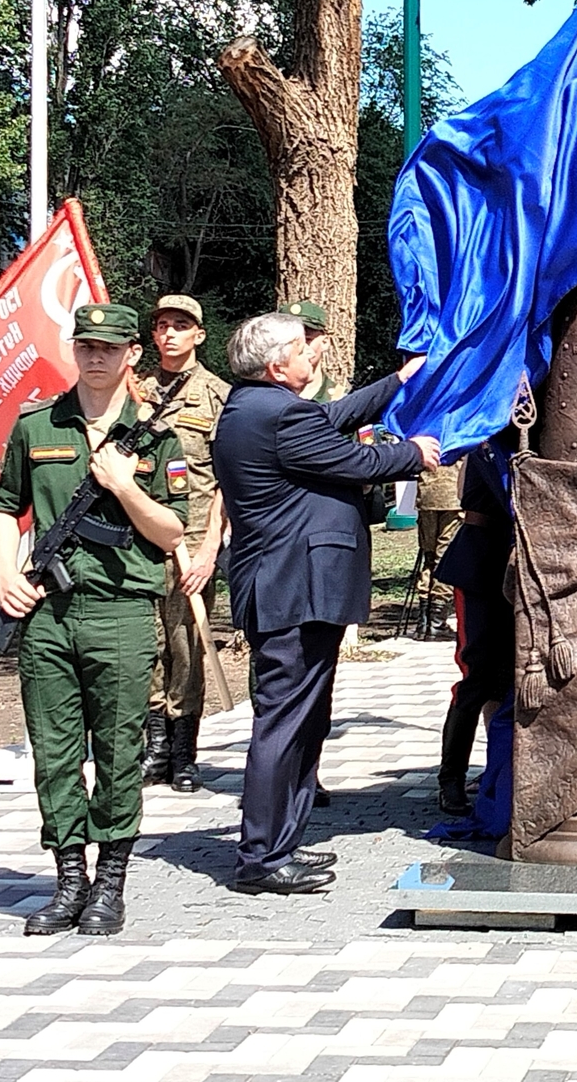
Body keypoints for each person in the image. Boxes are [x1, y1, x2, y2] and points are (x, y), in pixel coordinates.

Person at [213, 312, 438, 895]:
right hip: (292, 590)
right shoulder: (280, 414)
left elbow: (332, 419)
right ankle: (262, 858)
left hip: (292, 589)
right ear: (275, 365)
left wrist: (398, 381)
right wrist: (413, 452)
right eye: (301, 347)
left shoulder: (257, 407)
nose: (313, 353)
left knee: (302, 720)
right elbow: (356, 461)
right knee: (284, 723)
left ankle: (281, 842)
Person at [0, 304, 189, 937]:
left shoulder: (156, 439)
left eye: (109, 347)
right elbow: (3, 506)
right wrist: (5, 571)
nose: (96, 357)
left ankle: (110, 883)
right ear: (74, 351)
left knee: (119, 752)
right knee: (53, 753)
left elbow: (171, 531)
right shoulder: (37, 425)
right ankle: (69, 879)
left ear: (133, 354)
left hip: (121, 613)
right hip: (47, 614)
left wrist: (125, 486)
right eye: (86, 346)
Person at [138, 294, 229, 795]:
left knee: (186, 643)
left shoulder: (217, 396)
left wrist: (211, 547)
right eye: (162, 325)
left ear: (199, 334)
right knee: (147, 641)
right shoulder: (135, 391)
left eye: (181, 325)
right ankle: (153, 743)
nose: (170, 333)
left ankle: (182, 751)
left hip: (191, 540)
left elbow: (226, 482)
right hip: (140, 538)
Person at [434, 429, 519, 816]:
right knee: (477, 672)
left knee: (509, 675)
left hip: (522, 559)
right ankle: (450, 778)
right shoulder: (484, 438)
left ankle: (497, 768)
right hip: (481, 558)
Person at [411, 458, 462, 638]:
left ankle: (424, 622)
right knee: (445, 560)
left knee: (429, 558)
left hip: (426, 495)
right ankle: (436, 622)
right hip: (452, 497)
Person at [283, 300, 335, 403]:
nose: (299, 347)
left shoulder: (339, 399)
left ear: (325, 342)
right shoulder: (264, 396)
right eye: (289, 341)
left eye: (307, 340)